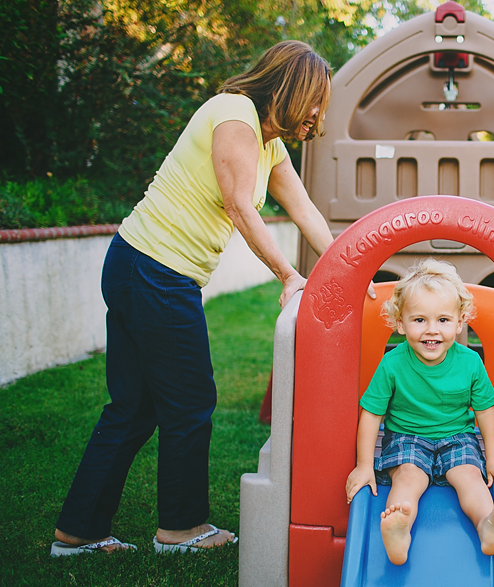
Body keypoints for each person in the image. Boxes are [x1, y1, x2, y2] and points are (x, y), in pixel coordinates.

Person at [51, 41, 353, 556]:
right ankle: (181, 528)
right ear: (289, 89)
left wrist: (353, 270)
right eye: (315, 102)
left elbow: (305, 210)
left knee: (132, 409)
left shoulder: (269, 144)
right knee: (189, 402)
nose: (318, 116)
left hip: (137, 265)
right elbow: (240, 207)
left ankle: (77, 532)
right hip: (155, 271)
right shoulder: (234, 114)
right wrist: (287, 274)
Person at [345, 259, 494, 566]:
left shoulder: (469, 363)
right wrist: (363, 466)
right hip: (407, 438)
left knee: (470, 477)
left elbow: (486, 411)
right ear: (400, 323)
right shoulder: (393, 364)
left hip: (458, 437)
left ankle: (487, 525)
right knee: (408, 477)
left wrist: (493, 457)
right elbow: (371, 414)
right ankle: (399, 529)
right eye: (419, 320)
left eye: (443, 320)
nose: (431, 331)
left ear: (460, 321)